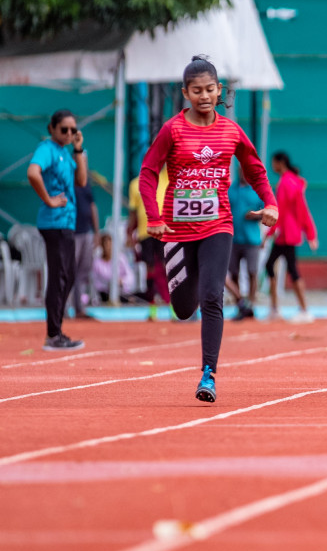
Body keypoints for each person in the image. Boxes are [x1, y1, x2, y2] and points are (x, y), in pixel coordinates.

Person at [140, 57, 279, 402]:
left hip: (218, 226)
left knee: (212, 297)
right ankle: (185, 292)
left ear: (219, 91)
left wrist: (271, 203)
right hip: (175, 230)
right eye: (196, 90)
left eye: (210, 89)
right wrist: (154, 217)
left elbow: (256, 168)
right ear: (186, 93)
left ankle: (208, 375)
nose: (204, 96)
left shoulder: (231, 130)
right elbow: (148, 172)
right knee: (184, 308)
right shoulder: (173, 129)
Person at [27, 110, 89, 350]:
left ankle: (56, 331)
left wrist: (79, 149)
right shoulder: (47, 148)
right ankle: (53, 334)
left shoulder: (65, 152)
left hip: (66, 223)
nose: (69, 134)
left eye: (73, 130)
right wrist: (49, 199)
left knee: (68, 275)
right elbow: (33, 172)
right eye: (64, 129)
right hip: (54, 222)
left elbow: (81, 181)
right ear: (51, 128)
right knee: (59, 276)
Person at [266, 152, 318, 322]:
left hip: (287, 234)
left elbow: (297, 210)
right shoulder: (289, 181)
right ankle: (277, 308)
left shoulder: (287, 183)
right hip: (286, 234)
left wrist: (310, 234)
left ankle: (300, 309)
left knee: (290, 270)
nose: (272, 166)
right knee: (277, 266)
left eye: (274, 163)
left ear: (280, 163)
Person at [224, 166, 265, 320]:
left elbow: (266, 210)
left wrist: (255, 215)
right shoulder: (231, 189)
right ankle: (240, 305)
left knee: (252, 272)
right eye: (241, 171)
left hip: (252, 239)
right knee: (233, 273)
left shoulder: (257, 190)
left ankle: (251, 305)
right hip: (233, 238)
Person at [127, 172, 170, 320]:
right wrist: (129, 233)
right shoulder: (135, 184)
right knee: (149, 270)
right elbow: (133, 212)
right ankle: (152, 309)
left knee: (168, 269)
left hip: (165, 231)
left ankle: (174, 307)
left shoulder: (166, 177)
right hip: (145, 233)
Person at [69, 175, 99, 319]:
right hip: (72, 233)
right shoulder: (67, 180)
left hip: (86, 231)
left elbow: (92, 206)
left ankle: (79, 308)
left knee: (83, 272)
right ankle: (62, 310)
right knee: (68, 272)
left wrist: (96, 231)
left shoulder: (86, 183)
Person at [92, 233, 139, 303]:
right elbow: (96, 283)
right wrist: (109, 284)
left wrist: (122, 281)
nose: (108, 248)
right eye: (106, 245)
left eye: (110, 245)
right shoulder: (97, 263)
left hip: (122, 293)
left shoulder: (120, 258)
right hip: (105, 295)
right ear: (102, 247)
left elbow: (131, 277)